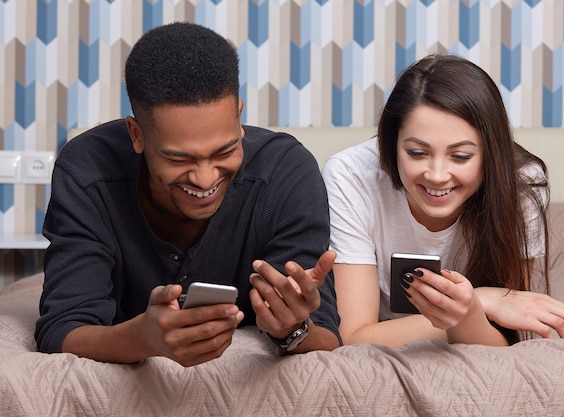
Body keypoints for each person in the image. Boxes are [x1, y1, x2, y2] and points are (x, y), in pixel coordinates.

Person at [35, 22, 341, 366]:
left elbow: (327, 338)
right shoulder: (86, 170)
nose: (205, 177)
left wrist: (292, 328)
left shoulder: (286, 171)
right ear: (137, 135)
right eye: (178, 158)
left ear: (238, 115)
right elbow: (61, 330)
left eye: (225, 152)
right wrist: (141, 339)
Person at [321, 54, 564, 347]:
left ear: (491, 154)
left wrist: (470, 313)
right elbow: (354, 336)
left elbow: (503, 337)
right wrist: (481, 301)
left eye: (461, 156)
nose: (437, 175)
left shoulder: (522, 184)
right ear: (391, 143)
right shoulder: (351, 176)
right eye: (416, 153)